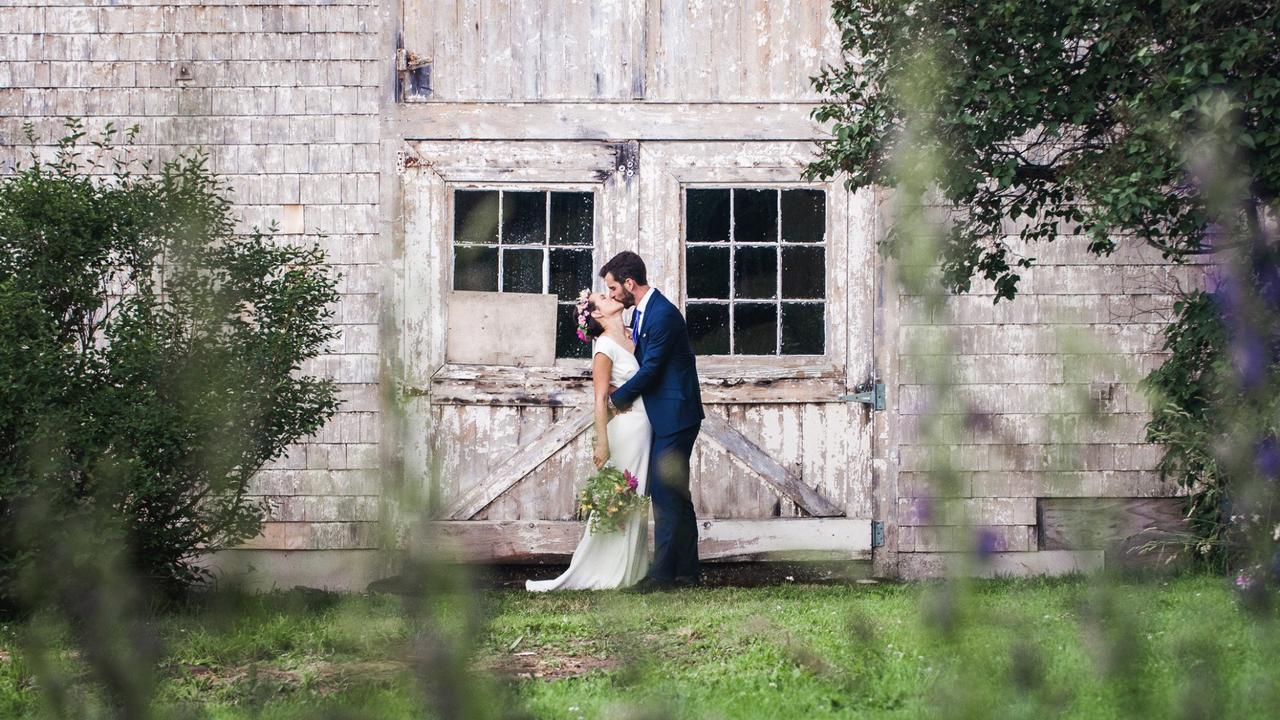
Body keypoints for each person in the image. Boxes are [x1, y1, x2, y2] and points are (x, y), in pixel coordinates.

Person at [525, 290, 652, 591]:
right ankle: (604, 570)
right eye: (604, 299)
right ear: (596, 314)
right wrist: (602, 442)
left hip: (645, 429)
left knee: (638, 501)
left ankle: (631, 569)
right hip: (626, 431)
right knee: (621, 498)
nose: (613, 296)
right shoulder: (604, 347)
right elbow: (598, 399)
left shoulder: (634, 334)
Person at [601, 251, 705, 591]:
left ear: (630, 283)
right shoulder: (645, 313)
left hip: (676, 417)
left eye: (614, 288)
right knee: (676, 495)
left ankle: (662, 577)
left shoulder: (661, 315)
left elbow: (651, 369)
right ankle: (688, 574)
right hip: (669, 415)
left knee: (664, 494)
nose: (613, 295)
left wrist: (616, 400)